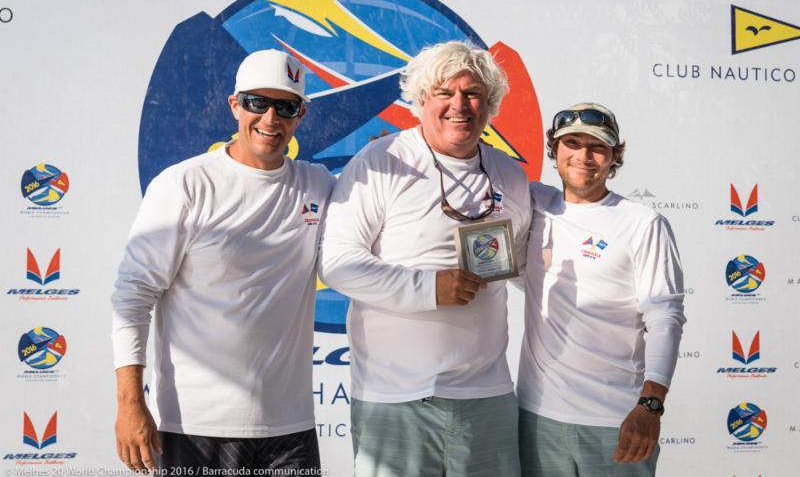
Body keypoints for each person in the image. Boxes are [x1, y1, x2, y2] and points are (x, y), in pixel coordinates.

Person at [111, 49, 334, 472]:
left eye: (285, 106)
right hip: (196, 427)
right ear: (235, 105)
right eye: (257, 103)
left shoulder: (318, 185)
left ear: (300, 114)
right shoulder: (185, 184)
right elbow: (133, 295)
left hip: (291, 430)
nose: (270, 118)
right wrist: (129, 404)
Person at [319, 41, 531, 477]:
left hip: (486, 397)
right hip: (396, 398)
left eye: (473, 94)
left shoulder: (510, 174)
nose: (460, 105)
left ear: (490, 104)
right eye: (443, 93)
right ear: (419, 101)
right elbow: (338, 262)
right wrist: (427, 289)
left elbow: (526, 263)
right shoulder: (382, 161)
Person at [517, 103, 686, 477]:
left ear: (614, 157)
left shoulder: (644, 223)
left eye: (597, 147)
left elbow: (665, 319)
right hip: (536, 418)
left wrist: (650, 407)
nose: (583, 156)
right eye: (572, 143)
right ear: (554, 150)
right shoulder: (533, 203)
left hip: (618, 420)